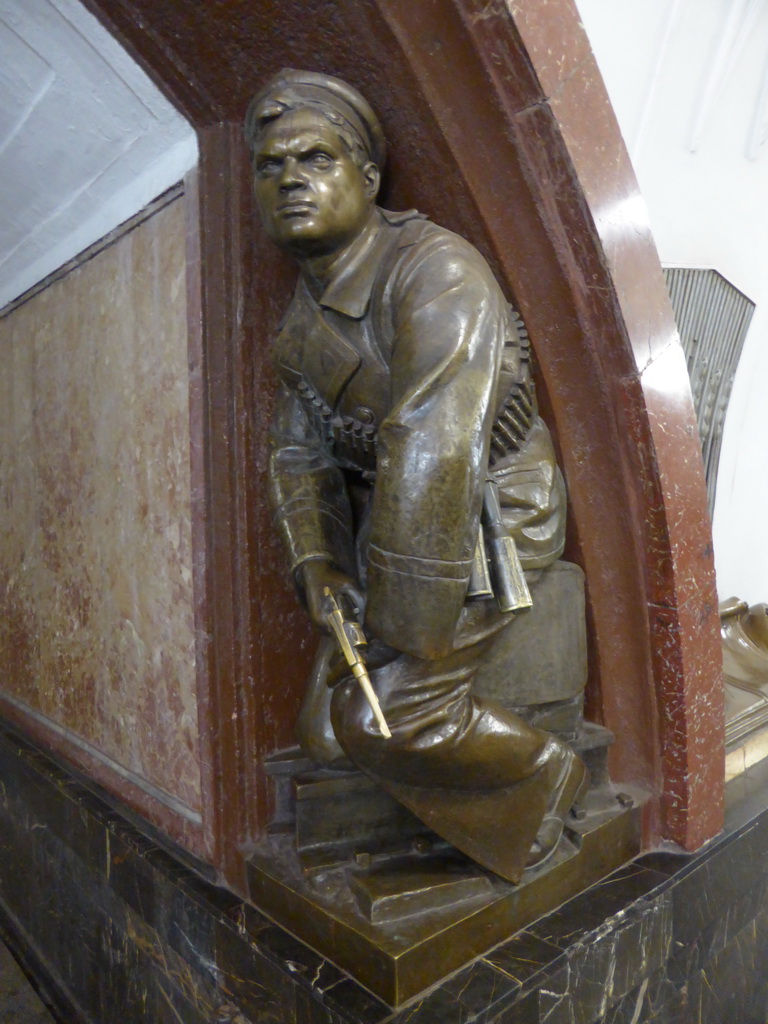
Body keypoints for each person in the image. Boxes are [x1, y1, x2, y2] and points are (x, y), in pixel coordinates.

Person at [245, 69, 587, 883]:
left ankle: (544, 775)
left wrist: (397, 639)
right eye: (271, 166)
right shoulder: (300, 323)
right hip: (399, 531)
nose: (291, 178)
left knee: (380, 717)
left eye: (316, 159)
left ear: (365, 178)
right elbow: (297, 454)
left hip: (488, 516)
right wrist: (321, 568)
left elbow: (430, 450)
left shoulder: (433, 270)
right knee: (327, 734)